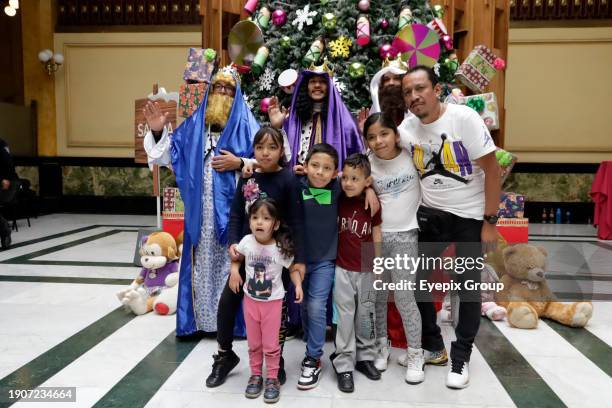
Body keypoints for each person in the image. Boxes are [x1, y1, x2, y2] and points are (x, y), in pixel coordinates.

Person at [399, 65, 500, 389]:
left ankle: (461, 357)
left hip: (470, 217)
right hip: (432, 216)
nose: (414, 97)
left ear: (436, 88)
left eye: (420, 88)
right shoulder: (407, 127)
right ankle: (434, 346)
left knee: (469, 287)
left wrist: (489, 223)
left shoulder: (464, 119)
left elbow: (493, 170)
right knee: (416, 282)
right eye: (407, 92)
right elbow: (387, 155)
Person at [143, 68, 260, 337]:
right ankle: (197, 322)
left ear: (237, 94)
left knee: (231, 264)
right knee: (200, 266)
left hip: (234, 214)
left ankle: (232, 324)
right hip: (200, 215)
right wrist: (158, 130)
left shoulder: (249, 126)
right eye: (218, 87)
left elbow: (270, 161)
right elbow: (167, 156)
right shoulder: (194, 127)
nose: (222, 93)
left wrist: (240, 162)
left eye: (229, 89)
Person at [207, 127, 305, 388]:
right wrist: (233, 249)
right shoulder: (248, 178)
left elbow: (297, 221)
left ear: (281, 151)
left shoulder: (287, 180)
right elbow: (237, 215)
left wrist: (298, 259)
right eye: (260, 147)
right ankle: (225, 354)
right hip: (247, 255)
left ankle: (277, 360)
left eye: (272, 147)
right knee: (228, 301)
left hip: (277, 256)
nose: (265, 152)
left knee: (277, 312)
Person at [364, 113, 424, 384]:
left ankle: (415, 354)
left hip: (406, 236)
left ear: (396, 135)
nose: (379, 141)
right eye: (372, 137)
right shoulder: (367, 164)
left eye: (384, 134)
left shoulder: (412, 154)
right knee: (377, 296)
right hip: (377, 238)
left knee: (403, 296)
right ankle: (381, 345)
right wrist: (366, 188)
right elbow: (348, 179)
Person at [229, 197, 303, 404]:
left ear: (276, 224)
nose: (259, 222)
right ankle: (255, 375)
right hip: (250, 302)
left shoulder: (280, 248)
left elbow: (293, 269)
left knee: (271, 345)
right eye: (255, 218)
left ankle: (272, 378)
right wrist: (234, 272)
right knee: (254, 344)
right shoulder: (245, 242)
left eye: (265, 218)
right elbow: (236, 259)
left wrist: (297, 285)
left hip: (273, 304)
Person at [330, 153, 383, 393]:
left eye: (355, 178)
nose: (349, 183)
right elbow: (320, 187)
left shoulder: (372, 202)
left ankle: (365, 358)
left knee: (366, 315)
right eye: (346, 177)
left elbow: (377, 233)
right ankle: (343, 364)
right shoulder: (339, 198)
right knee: (344, 318)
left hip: (368, 271)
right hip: (342, 270)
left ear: (367, 181)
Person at [267, 63, 364, 173]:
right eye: (313, 81)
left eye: (322, 82)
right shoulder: (293, 120)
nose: (317, 85)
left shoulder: (346, 123)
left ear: (329, 87)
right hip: (296, 182)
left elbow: (357, 159)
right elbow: (282, 159)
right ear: (306, 87)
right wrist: (277, 127)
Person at [358, 57, 411, 130]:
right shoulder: (377, 106)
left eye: (396, 78)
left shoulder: (415, 103)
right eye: (386, 79)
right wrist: (365, 132)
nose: (391, 83)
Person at [0, 138, 18, 249]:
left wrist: (3, 179)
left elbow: (8, 164)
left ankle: (4, 229)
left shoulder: (1, 145)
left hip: (7, 183)